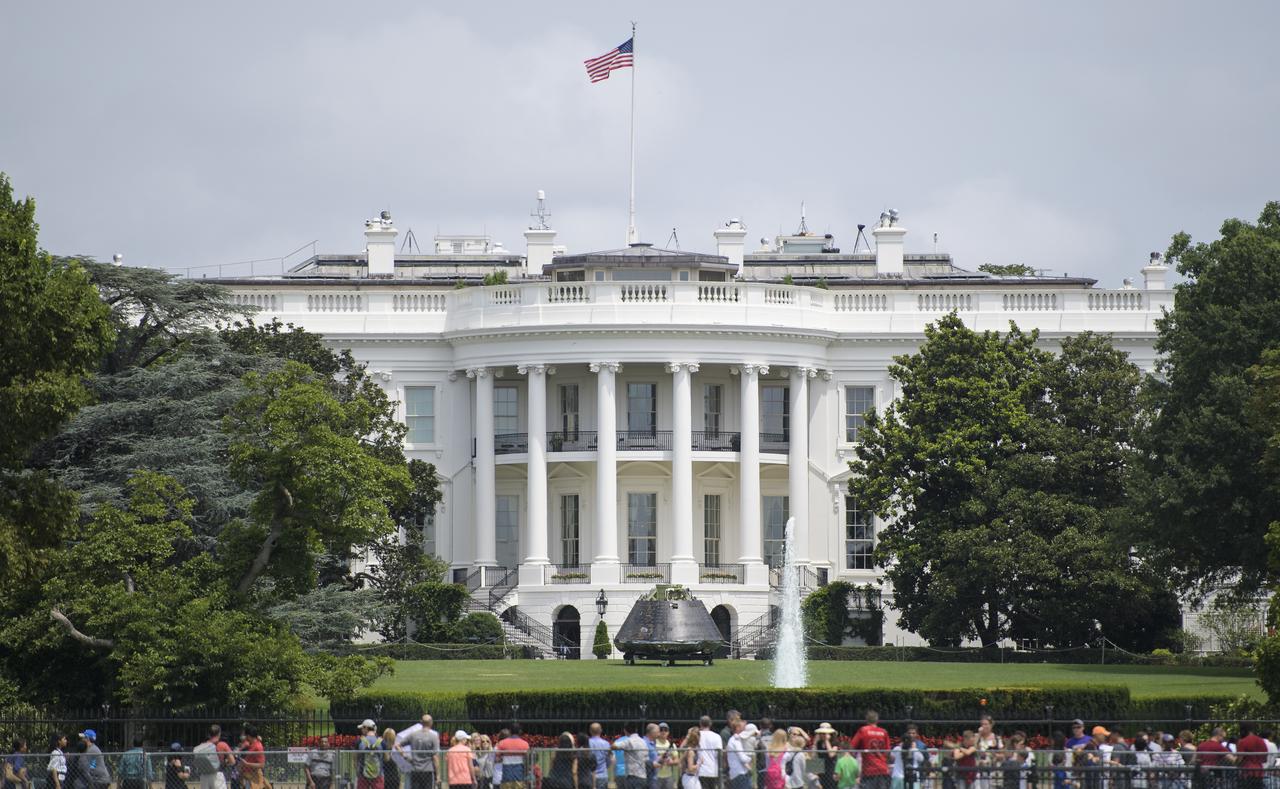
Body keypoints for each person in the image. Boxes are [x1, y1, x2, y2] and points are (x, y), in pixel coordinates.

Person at [850, 712, 891, 789]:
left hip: (869, 770)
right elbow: (888, 751)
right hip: (883, 769)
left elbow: (852, 746)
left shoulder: (863, 730)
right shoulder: (884, 732)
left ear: (866, 720)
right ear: (877, 720)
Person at [407, 716, 442, 789]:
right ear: (431, 723)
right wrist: (438, 775)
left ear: (421, 722)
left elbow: (398, 745)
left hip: (415, 769)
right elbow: (435, 757)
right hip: (427, 770)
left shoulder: (413, 735)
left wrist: (405, 756)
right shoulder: (433, 737)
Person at [496, 724, 531, 789]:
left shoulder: (502, 743)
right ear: (520, 731)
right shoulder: (525, 744)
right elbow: (528, 760)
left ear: (510, 731)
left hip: (506, 776)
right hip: (519, 776)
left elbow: (497, 759)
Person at [1239, 723, 1269, 789]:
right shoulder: (1261, 741)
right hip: (1259, 771)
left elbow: (1240, 759)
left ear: (1243, 731)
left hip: (1247, 772)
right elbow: (1265, 759)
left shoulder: (1242, 741)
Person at [696, 717, 723, 789]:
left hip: (701, 770)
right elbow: (719, 755)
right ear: (710, 724)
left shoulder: (697, 736)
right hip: (713, 770)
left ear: (700, 724)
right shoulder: (717, 737)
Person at [358, 720, 386, 789]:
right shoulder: (382, 742)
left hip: (363, 774)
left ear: (366, 728)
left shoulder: (359, 741)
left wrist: (357, 770)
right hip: (378, 774)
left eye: (362, 728)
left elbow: (355, 759)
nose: (361, 730)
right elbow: (386, 758)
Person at [726, 721, 753, 789]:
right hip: (740, 773)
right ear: (737, 728)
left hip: (736, 773)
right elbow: (743, 758)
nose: (744, 727)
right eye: (742, 726)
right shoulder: (735, 741)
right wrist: (750, 758)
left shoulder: (734, 739)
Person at [810, 724, 838, 789]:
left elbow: (831, 754)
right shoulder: (819, 743)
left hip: (831, 769)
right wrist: (815, 743)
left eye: (825, 733)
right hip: (821, 769)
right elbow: (813, 756)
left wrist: (826, 740)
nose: (822, 735)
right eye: (821, 733)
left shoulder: (834, 743)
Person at [655, 725, 680, 789]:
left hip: (668, 776)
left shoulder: (672, 745)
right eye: (661, 730)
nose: (663, 732)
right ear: (657, 732)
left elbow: (677, 760)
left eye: (665, 730)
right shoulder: (653, 743)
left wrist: (671, 762)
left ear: (668, 732)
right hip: (655, 776)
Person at [588, 724, 611, 789]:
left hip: (589, 775)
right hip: (602, 775)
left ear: (590, 731)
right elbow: (608, 760)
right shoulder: (606, 744)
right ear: (600, 731)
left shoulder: (587, 743)